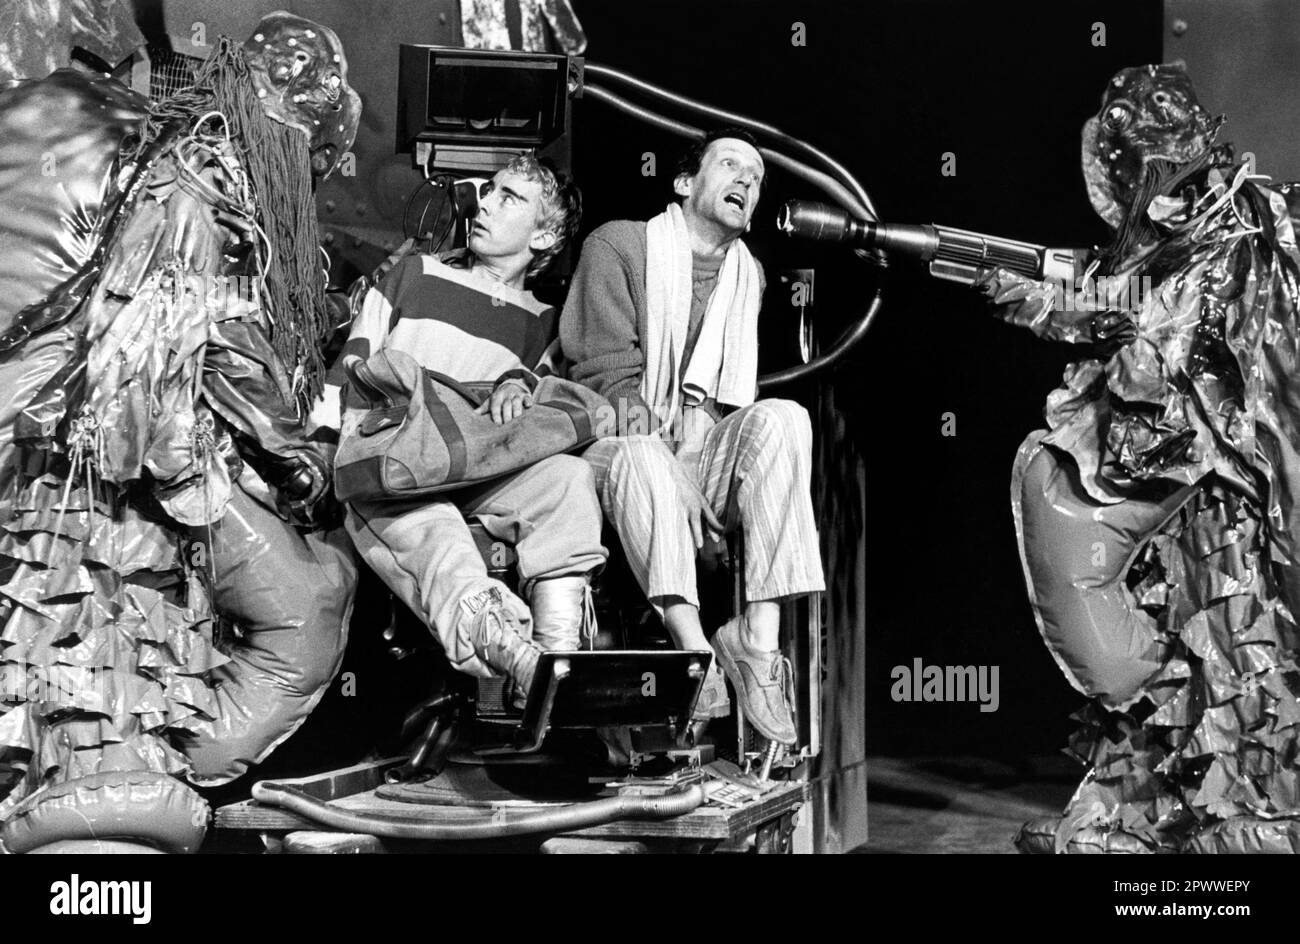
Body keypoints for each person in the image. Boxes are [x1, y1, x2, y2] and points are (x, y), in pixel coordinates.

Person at [559, 128, 826, 745]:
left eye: (756, 178)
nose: (746, 182)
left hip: (687, 450)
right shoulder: (619, 245)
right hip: (607, 444)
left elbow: (727, 401)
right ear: (684, 183)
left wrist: (693, 464)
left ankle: (756, 643)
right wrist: (678, 472)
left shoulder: (746, 275)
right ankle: (692, 649)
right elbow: (609, 384)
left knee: (785, 419)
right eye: (730, 165)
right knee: (644, 449)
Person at [333, 154, 605, 701]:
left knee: (568, 481)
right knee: (440, 538)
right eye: (490, 191)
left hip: (479, 471)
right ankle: (513, 652)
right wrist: (319, 469)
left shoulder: (546, 325)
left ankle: (558, 664)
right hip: (395, 466)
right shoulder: (416, 274)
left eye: (510, 198)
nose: (485, 204)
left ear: (546, 234)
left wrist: (519, 384)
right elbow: (346, 372)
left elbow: (542, 413)